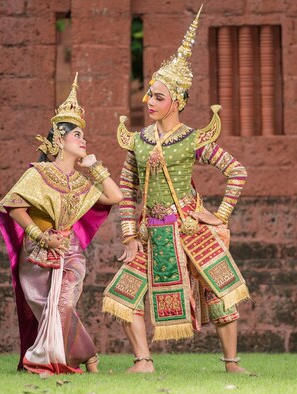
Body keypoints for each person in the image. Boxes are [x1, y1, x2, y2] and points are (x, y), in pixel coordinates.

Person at [102, 6, 251, 373]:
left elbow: (237, 171)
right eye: (149, 96)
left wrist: (218, 216)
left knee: (220, 294)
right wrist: (128, 236)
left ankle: (231, 363)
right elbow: (126, 188)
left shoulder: (192, 140)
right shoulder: (138, 141)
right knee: (123, 295)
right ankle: (143, 361)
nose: (149, 102)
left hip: (188, 227)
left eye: (157, 97)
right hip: (151, 233)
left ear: (178, 101)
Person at [0, 74, 123, 375]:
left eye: (82, 135)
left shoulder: (81, 181)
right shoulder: (38, 173)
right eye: (76, 135)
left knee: (63, 304)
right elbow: (14, 207)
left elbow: (115, 196)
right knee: (45, 306)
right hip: (37, 251)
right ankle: (88, 356)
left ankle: (43, 360)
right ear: (59, 139)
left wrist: (96, 167)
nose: (82, 139)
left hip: (70, 250)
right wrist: (41, 236)